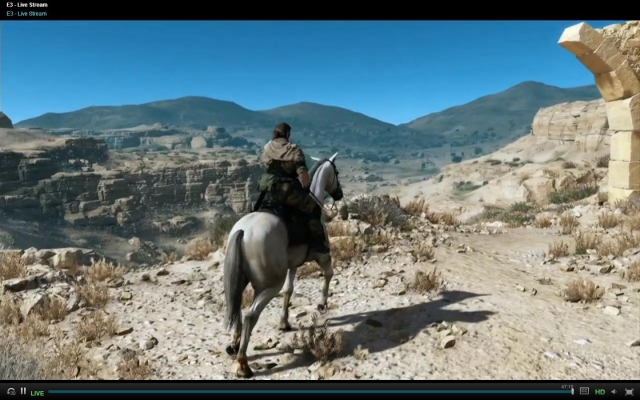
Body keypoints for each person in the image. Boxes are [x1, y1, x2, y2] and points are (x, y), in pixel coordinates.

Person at [256, 122, 329, 255]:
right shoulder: (294, 150)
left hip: (270, 192)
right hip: (289, 192)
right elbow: (303, 175)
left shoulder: (267, 148)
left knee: (256, 209)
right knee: (314, 208)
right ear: (288, 134)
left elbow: (266, 167)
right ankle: (318, 244)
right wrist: (305, 185)